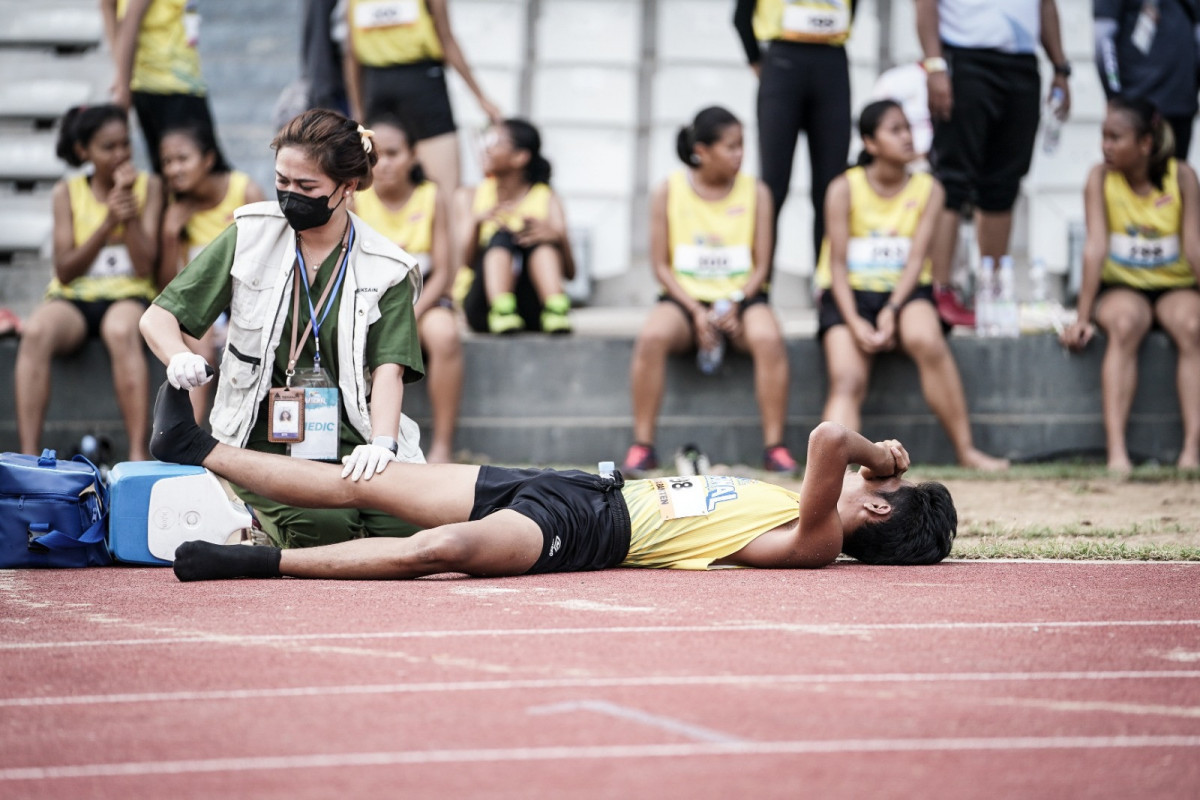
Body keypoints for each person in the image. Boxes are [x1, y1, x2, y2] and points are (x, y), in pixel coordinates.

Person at [148, 381, 959, 581]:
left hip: (594, 532)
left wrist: (881, 455)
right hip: (581, 488)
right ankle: (194, 445)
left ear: (876, 501)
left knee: (442, 549)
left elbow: (827, 438)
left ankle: (259, 562)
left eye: (878, 483)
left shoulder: (817, 540)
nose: (867, 476)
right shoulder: (800, 517)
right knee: (374, 480)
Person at [140, 108, 428, 549]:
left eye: (306, 187)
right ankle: (249, 513)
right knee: (323, 529)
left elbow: (389, 370)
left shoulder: (386, 266)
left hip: (350, 439)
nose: (290, 195)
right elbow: (157, 317)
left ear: (348, 187)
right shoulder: (250, 234)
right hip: (261, 443)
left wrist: (383, 444)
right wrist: (177, 355)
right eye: (282, 181)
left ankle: (275, 530)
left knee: (416, 526)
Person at [816, 100, 1009, 472]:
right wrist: (855, 321)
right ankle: (831, 475)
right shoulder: (843, 187)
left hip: (905, 293)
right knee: (847, 377)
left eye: (908, 128)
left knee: (927, 339)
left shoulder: (929, 188)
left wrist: (891, 310)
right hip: (849, 294)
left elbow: (918, 259)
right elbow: (836, 265)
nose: (907, 136)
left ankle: (966, 451)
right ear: (870, 143)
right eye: (895, 130)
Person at [623, 106, 795, 475]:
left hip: (742, 300)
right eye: (731, 147)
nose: (740, 154)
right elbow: (661, 266)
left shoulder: (757, 192)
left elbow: (761, 265)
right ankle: (643, 447)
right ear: (701, 150)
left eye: (742, 145)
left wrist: (736, 301)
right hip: (685, 301)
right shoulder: (668, 190)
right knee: (652, 336)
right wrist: (697, 311)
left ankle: (775, 448)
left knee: (768, 337)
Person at [1060, 96, 1200, 472]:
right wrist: (1082, 317)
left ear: (1145, 143)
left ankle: (1191, 451)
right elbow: (1094, 248)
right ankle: (1117, 453)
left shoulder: (1182, 176)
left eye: (1115, 138)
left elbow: (1194, 248)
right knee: (1124, 324)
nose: (1105, 146)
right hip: (1122, 286)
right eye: (1103, 136)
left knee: (1193, 326)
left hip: (1175, 286)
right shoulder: (1100, 178)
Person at [15, 104, 162, 460]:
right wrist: (108, 222)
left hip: (129, 295)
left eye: (125, 144)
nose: (120, 154)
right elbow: (65, 270)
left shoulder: (151, 186)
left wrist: (128, 214)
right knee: (35, 332)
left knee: (120, 331)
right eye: (108, 147)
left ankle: (138, 454)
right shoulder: (66, 193)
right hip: (75, 299)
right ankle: (28, 457)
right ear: (84, 151)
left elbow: (145, 267)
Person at [916, 0, 1072, 327]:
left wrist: (1060, 68)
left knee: (1004, 181)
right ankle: (940, 289)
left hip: (1021, 63)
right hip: (965, 57)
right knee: (952, 178)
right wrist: (934, 65)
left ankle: (992, 291)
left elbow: (1046, 6)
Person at [353, 114, 462, 463]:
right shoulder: (356, 199)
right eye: (377, 154)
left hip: (423, 301)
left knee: (445, 335)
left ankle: (442, 446)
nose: (384, 163)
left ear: (414, 155)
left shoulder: (431, 196)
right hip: (369, 303)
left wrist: (410, 313)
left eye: (394, 153)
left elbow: (443, 272)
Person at [158, 121, 266, 423]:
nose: (174, 169)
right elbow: (168, 288)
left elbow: (267, 259)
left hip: (245, 300)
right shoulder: (174, 206)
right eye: (167, 162)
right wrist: (170, 234)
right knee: (199, 351)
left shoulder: (244, 191)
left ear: (208, 158)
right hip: (200, 306)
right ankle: (188, 435)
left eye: (182, 159)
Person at [733, 0, 854, 262]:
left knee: (831, 186)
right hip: (782, 57)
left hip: (832, 59)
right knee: (772, 186)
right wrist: (758, 61)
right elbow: (741, 17)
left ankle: (828, 281)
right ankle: (760, 280)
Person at [343, 0, 502, 193]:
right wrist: (357, 110)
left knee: (443, 185)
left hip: (419, 80)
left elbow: (446, 39)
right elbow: (351, 52)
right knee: (376, 180)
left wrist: (480, 97)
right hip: (379, 83)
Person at [456, 118, 575, 335]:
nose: (487, 149)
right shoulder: (470, 196)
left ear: (520, 157)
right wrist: (477, 222)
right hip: (483, 308)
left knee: (540, 243)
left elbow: (571, 273)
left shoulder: (547, 197)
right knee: (501, 237)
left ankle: (555, 309)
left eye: (496, 142)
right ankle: (501, 309)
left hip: (532, 307)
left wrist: (557, 236)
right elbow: (464, 263)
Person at [101, 0, 224, 174]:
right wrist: (123, 85)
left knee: (172, 170)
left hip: (154, 83)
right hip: (173, 85)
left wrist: (121, 72)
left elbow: (107, 6)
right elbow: (130, 19)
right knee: (205, 169)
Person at [1095, 0, 1199, 160]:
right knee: (1127, 173)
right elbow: (1102, 40)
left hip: (1180, 103)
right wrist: (1114, 95)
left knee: (1175, 172)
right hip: (1135, 105)